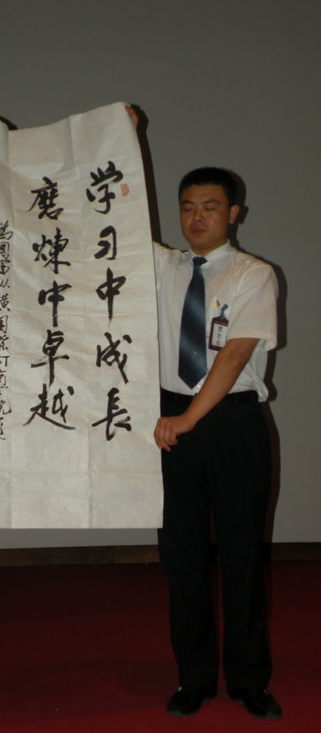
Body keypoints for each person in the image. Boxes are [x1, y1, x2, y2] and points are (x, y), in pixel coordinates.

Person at [153, 166, 282, 720]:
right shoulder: (162, 267)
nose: (196, 217)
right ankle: (194, 677)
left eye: (209, 206)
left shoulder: (254, 274)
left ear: (233, 213)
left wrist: (188, 418)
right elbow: (103, 216)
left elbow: (233, 357)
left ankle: (249, 678)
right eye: (187, 207)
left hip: (232, 425)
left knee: (242, 557)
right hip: (172, 424)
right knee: (181, 559)